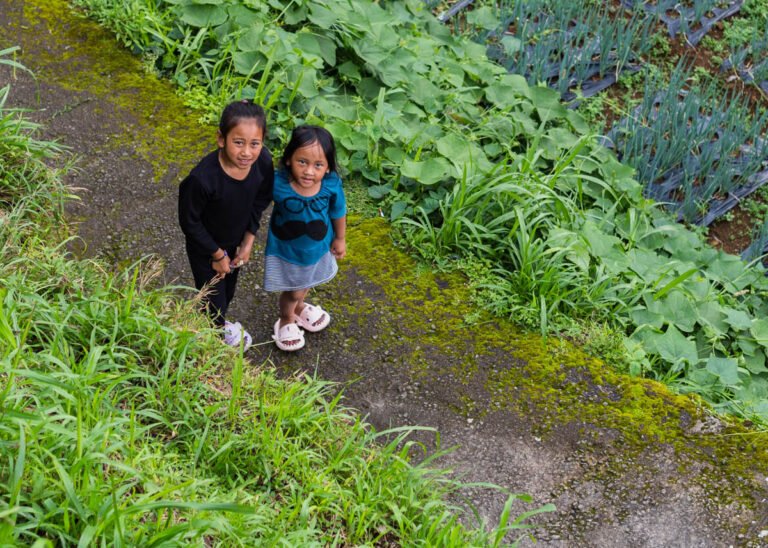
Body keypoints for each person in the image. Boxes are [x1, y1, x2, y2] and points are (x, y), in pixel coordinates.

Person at [178, 99, 274, 349]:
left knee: (227, 291)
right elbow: (190, 222)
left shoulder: (262, 162)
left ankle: (215, 328)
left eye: (255, 143)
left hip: (235, 241)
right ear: (221, 139)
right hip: (205, 247)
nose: (247, 152)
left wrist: (249, 239)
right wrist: (216, 253)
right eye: (238, 142)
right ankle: (212, 339)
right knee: (213, 299)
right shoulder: (202, 180)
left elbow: (261, 198)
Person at [264, 125, 347, 351]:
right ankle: (286, 319)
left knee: (306, 283)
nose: (309, 171)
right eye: (303, 162)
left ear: (328, 166)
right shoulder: (278, 182)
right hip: (287, 251)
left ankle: (299, 308)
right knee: (294, 289)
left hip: (317, 249)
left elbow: (338, 212)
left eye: (318, 165)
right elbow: (254, 203)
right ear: (289, 158)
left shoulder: (330, 185)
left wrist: (340, 238)